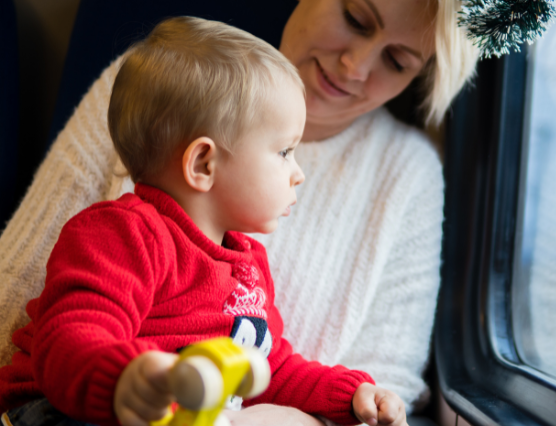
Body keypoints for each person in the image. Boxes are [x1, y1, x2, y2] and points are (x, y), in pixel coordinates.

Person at [0, 1, 479, 425]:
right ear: (204, 164)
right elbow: (70, 337)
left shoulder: (247, 267)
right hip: (65, 409)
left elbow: (272, 366)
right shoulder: (123, 233)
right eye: (285, 153)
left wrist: (350, 395)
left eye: (397, 61)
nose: (299, 174)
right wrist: (130, 381)